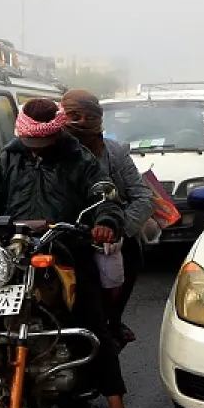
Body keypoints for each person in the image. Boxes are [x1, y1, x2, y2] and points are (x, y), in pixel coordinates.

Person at [0, 98, 134, 408]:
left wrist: (105, 222)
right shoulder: (8, 158)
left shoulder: (78, 157)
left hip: (64, 247)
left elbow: (103, 195)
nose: (35, 146)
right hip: (14, 250)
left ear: (55, 134)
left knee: (92, 323)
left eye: (41, 141)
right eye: (30, 141)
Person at [61, 89, 155, 346]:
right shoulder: (45, 151)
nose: (80, 122)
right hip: (62, 232)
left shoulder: (115, 153)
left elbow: (143, 197)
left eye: (87, 116)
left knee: (130, 257)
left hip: (108, 231)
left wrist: (118, 229)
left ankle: (112, 320)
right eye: (73, 115)